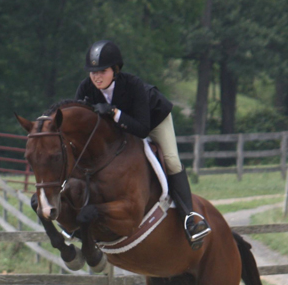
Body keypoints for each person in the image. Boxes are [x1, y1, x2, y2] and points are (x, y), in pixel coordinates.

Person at [75, 40, 210, 249]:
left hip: (153, 120)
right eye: (93, 72)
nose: (96, 76)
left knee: (172, 161)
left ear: (115, 70)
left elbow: (142, 129)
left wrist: (113, 112)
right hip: (119, 130)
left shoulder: (133, 85)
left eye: (102, 71)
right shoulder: (86, 88)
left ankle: (189, 220)